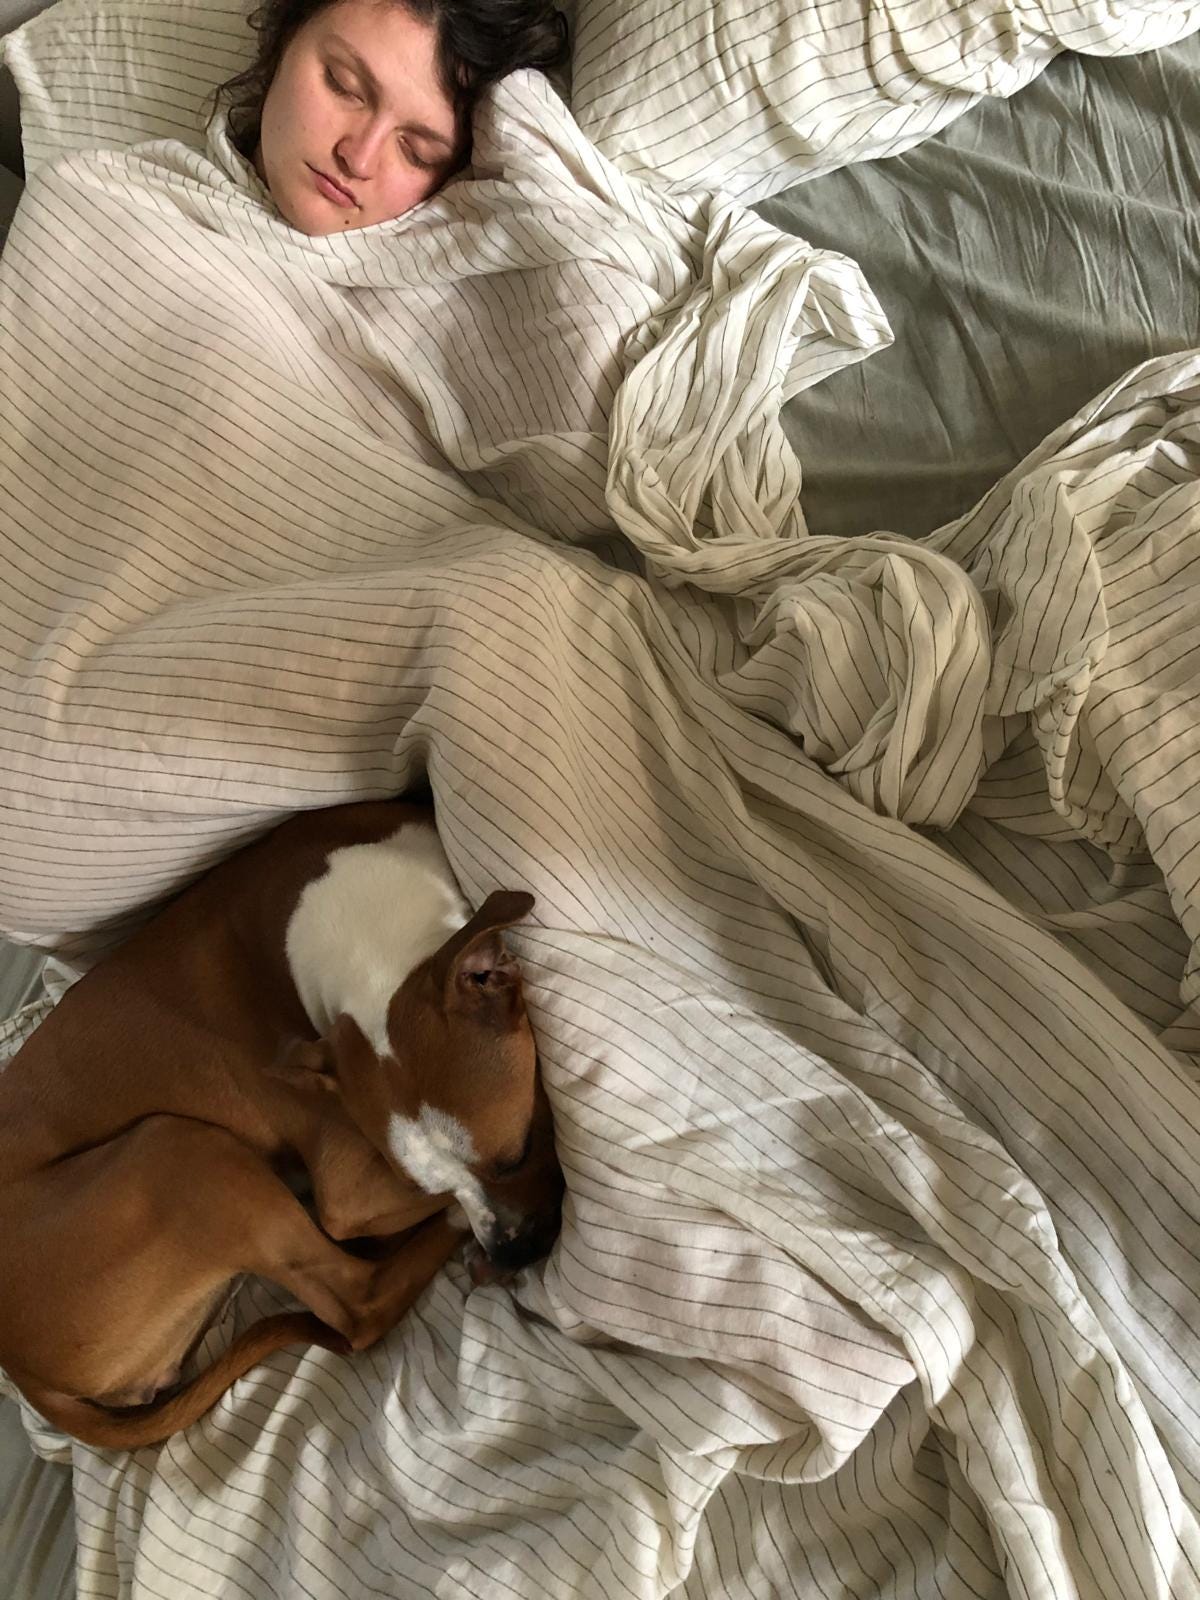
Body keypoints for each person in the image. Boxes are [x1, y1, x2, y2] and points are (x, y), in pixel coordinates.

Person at [218, 0, 568, 235]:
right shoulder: (164, 211)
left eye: (417, 153)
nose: (358, 159)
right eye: (343, 85)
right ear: (284, 36)